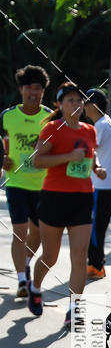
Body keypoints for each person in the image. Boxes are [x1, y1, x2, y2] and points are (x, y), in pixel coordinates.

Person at [29, 83, 106, 329]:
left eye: (79, 100)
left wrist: (97, 169)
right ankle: (35, 287)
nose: (76, 104)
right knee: (50, 256)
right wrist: (67, 157)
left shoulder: (89, 130)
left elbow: (90, 155)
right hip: (54, 198)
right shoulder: (53, 128)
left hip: (82, 199)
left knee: (80, 256)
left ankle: (74, 308)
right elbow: (37, 160)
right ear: (59, 104)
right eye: (70, 100)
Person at [0, 65, 52, 298]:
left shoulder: (50, 118)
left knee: (38, 233)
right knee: (19, 231)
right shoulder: (7, 116)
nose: (33, 93)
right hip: (16, 183)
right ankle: (22, 280)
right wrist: (3, 159)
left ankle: (27, 262)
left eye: (38, 89)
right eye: (29, 88)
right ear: (21, 90)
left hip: (43, 185)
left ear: (43, 91)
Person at [84, 88, 111, 279]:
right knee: (98, 226)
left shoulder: (101, 126)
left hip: (100, 185)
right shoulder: (105, 123)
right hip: (105, 184)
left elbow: (88, 150)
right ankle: (96, 264)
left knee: (95, 228)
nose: (83, 107)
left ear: (94, 105)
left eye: (85, 102)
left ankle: (96, 265)